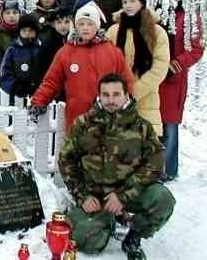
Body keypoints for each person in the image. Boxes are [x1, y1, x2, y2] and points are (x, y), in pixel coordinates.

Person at [59, 73, 175, 259]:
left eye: (116, 94)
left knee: (163, 200)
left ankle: (134, 236)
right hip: (95, 198)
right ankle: (109, 220)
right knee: (85, 241)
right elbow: (66, 161)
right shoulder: (83, 124)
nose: (111, 100)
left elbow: (155, 163)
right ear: (99, 96)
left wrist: (123, 196)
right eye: (106, 95)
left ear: (126, 96)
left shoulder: (141, 127)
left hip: (128, 194)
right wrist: (83, 196)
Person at [30, 2, 135, 131]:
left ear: (97, 26)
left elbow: (126, 79)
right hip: (78, 120)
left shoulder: (112, 52)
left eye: (90, 24)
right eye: (81, 24)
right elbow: (51, 81)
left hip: (109, 119)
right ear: (75, 26)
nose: (85, 28)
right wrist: (38, 101)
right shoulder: (66, 53)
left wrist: (128, 101)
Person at [106, 0, 170, 137]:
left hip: (147, 100)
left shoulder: (156, 32)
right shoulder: (113, 31)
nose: (128, 5)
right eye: (125, 2)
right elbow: (105, 62)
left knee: (145, 153)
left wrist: (134, 92)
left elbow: (160, 67)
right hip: (115, 100)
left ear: (142, 3)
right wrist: (116, 93)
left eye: (132, 1)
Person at [158, 0, 204, 181]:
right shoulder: (157, 12)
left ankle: (168, 170)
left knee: (170, 126)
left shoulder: (190, 17)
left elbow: (197, 49)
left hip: (173, 80)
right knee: (153, 124)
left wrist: (177, 64)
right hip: (154, 77)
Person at [0, 14, 43, 98]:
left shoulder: (41, 48)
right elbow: (4, 72)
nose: (27, 33)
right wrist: (15, 87)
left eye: (30, 30)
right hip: (16, 97)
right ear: (19, 32)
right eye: (24, 30)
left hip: (39, 94)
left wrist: (39, 85)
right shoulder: (12, 50)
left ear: (36, 32)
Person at [38, 7, 73, 80]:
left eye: (67, 22)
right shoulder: (48, 44)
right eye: (59, 22)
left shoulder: (76, 41)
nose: (63, 26)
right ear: (53, 24)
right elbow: (43, 70)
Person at [0, 0, 21, 71]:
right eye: (7, 13)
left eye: (15, 13)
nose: (11, 16)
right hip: (5, 75)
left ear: (20, 14)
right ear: (2, 15)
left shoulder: (25, 31)